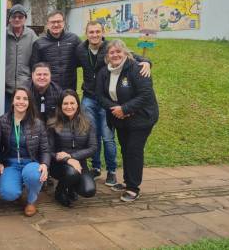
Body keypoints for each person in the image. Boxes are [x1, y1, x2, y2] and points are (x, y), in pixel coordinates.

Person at [76, 21, 152, 186]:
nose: (94, 35)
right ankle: (95, 168)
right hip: (89, 97)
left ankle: (111, 171)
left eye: (97, 31)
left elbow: (129, 55)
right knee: (92, 135)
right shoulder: (81, 49)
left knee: (108, 137)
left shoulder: (110, 47)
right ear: (86, 33)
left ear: (102, 32)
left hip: (108, 100)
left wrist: (146, 61)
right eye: (91, 32)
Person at [96, 39, 159, 202]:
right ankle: (127, 181)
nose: (115, 55)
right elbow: (100, 96)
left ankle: (133, 187)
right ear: (107, 56)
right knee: (125, 149)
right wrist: (116, 109)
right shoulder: (105, 72)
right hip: (119, 118)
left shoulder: (137, 69)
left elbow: (145, 95)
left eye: (118, 51)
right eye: (112, 52)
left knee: (133, 150)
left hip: (141, 118)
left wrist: (124, 109)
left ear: (125, 53)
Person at [0, 87, 49, 217]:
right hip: (11, 163)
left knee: (33, 175)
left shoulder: (37, 123)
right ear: (12, 101)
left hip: (31, 162)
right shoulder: (2, 121)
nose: (21, 102)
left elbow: (45, 149)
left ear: (29, 102)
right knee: (8, 194)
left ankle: (31, 200)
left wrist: (45, 164)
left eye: (25, 99)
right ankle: (18, 187)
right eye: (18, 98)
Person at [48, 89, 97, 207]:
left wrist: (72, 156)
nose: (69, 106)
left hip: (80, 164)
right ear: (60, 106)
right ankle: (59, 192)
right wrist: (67, 159)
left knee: (89, 190)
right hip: (59, 165)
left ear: (78, 104)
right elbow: (48, 151)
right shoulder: (52, 124)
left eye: (72, 103)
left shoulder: (87, 122)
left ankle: (71, 187)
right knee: (72, 173)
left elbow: (93, 147)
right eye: (65, 103)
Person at [30, 10, 81, 90]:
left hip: (70, 89)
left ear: (64, 23)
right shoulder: (39, 43)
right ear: (47, 24)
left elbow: (82, 59)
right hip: (48, 90)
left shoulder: (74, 39)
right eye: (53, 22)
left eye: (59, 21)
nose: (56, 25)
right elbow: (34, 68)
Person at [5, 4, 38, 111]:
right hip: (5, 89)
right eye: (14, 16)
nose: (17, 19)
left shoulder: (32, 36)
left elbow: (37, 61)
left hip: (25, 88)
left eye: (20, 17)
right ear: (9, 19)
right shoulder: (2, 34)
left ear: (25, 19)